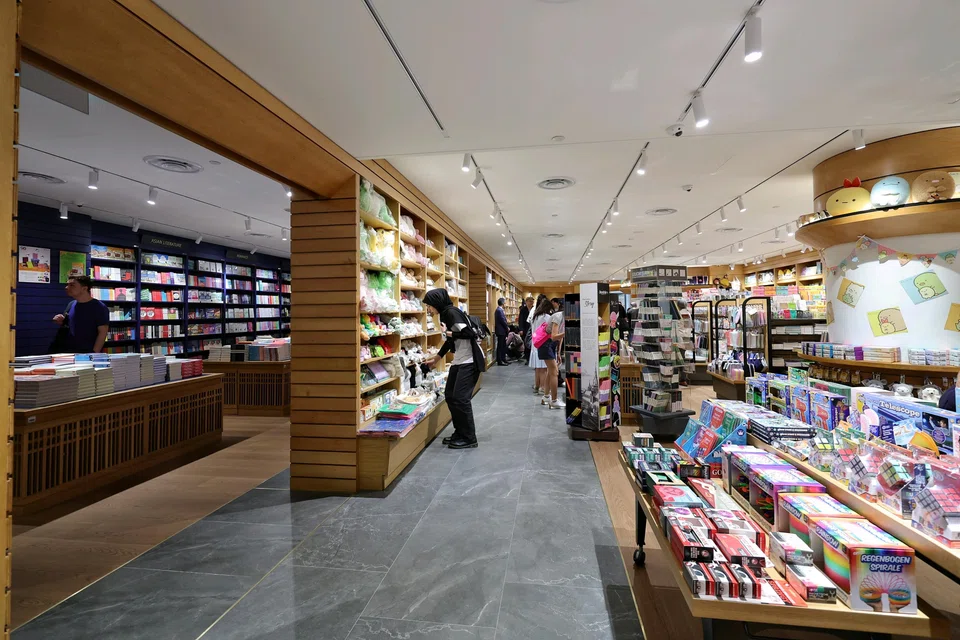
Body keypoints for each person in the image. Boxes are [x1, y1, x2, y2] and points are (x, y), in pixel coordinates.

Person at [423, 289, 484, 449]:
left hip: (470, 360)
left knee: (461, 398)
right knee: (450, 396)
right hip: (460, 360)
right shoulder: (445, 314)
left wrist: (449, 333)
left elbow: (468, 333)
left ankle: (469, 438)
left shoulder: (451, 312)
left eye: (429, 305)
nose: (429, 309)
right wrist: (436, 359)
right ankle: (460, 432)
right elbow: (450, 341)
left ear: (436, 303)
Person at [53, 275, 109, 353]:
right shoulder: (71, 304)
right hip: (68, 352)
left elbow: (102, 332)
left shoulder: (99, 307)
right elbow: (68, 325)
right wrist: (60, 320)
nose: (66, 287)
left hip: (87, 353)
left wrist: (94, 353)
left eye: (72, 285)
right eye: (67, 284)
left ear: (84, 288)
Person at [538, 298, 565, 409]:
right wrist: (567, 333)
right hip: (546, 344)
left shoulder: (565, 318)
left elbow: (560, 337)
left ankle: (546, 397)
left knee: (551, 371)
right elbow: (554, 336)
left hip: (551, 345)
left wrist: (558, 352)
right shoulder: (558, 317)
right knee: (554, 372)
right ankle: (554, 400)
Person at [528, 295, 549, 395]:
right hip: (543, 344)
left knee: (537, 367)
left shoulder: (535, 316)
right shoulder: (546, 317)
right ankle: (542, 387)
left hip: (535, 344)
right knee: (543, 368)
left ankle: (537, 385)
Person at [518, 296, 534, 362]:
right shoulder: (523, 310)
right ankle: (527, 358)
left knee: (532, 343)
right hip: (525, 329)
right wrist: (521, 329)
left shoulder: (534, 309)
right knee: (526, 343)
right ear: (526, 302)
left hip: (533, 329)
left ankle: (532, 358)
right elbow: (520, 320)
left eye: (532, 302)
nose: (531, 303)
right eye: (530, 301)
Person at [495, 296, 509, 365]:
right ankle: (500, 361)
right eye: (505, 303)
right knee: (500, 346)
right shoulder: (499, 310)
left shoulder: (500, 310)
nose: (505, 304)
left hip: (502, 331)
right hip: (501, 331)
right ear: (503, 303)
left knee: (503, 346)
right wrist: (507, 327)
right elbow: (502, 320)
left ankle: (503, 359)